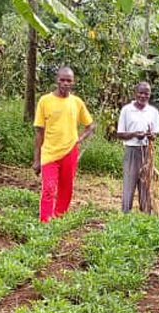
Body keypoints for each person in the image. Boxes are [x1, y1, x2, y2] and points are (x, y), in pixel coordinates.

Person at [33, 67, 96, 223]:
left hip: (70, 152)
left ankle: (59, 219)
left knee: (66, 189)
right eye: (62, 79)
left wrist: (80, 138)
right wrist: (36, 159)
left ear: (73, 82)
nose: (65, 83)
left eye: (69, 80)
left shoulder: (76, 102)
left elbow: (91, 125)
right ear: (57, 80)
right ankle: (45, 222)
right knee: (48, 188)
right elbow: (39, 132)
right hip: (49, 153)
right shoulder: (45, 101)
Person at [116, 82, 159, 213]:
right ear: (135, 93)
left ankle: (146, 215)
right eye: (140, 93)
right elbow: (120, 134)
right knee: (129, 185)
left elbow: (157, 132)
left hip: (147, 151)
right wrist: (135, 134)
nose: (143, 96)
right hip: (131, 150)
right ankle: (126, 214)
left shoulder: (153, 111)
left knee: (146, 185)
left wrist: (151, 136)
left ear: (149, 95)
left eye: (146, 93)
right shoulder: (126, 110)